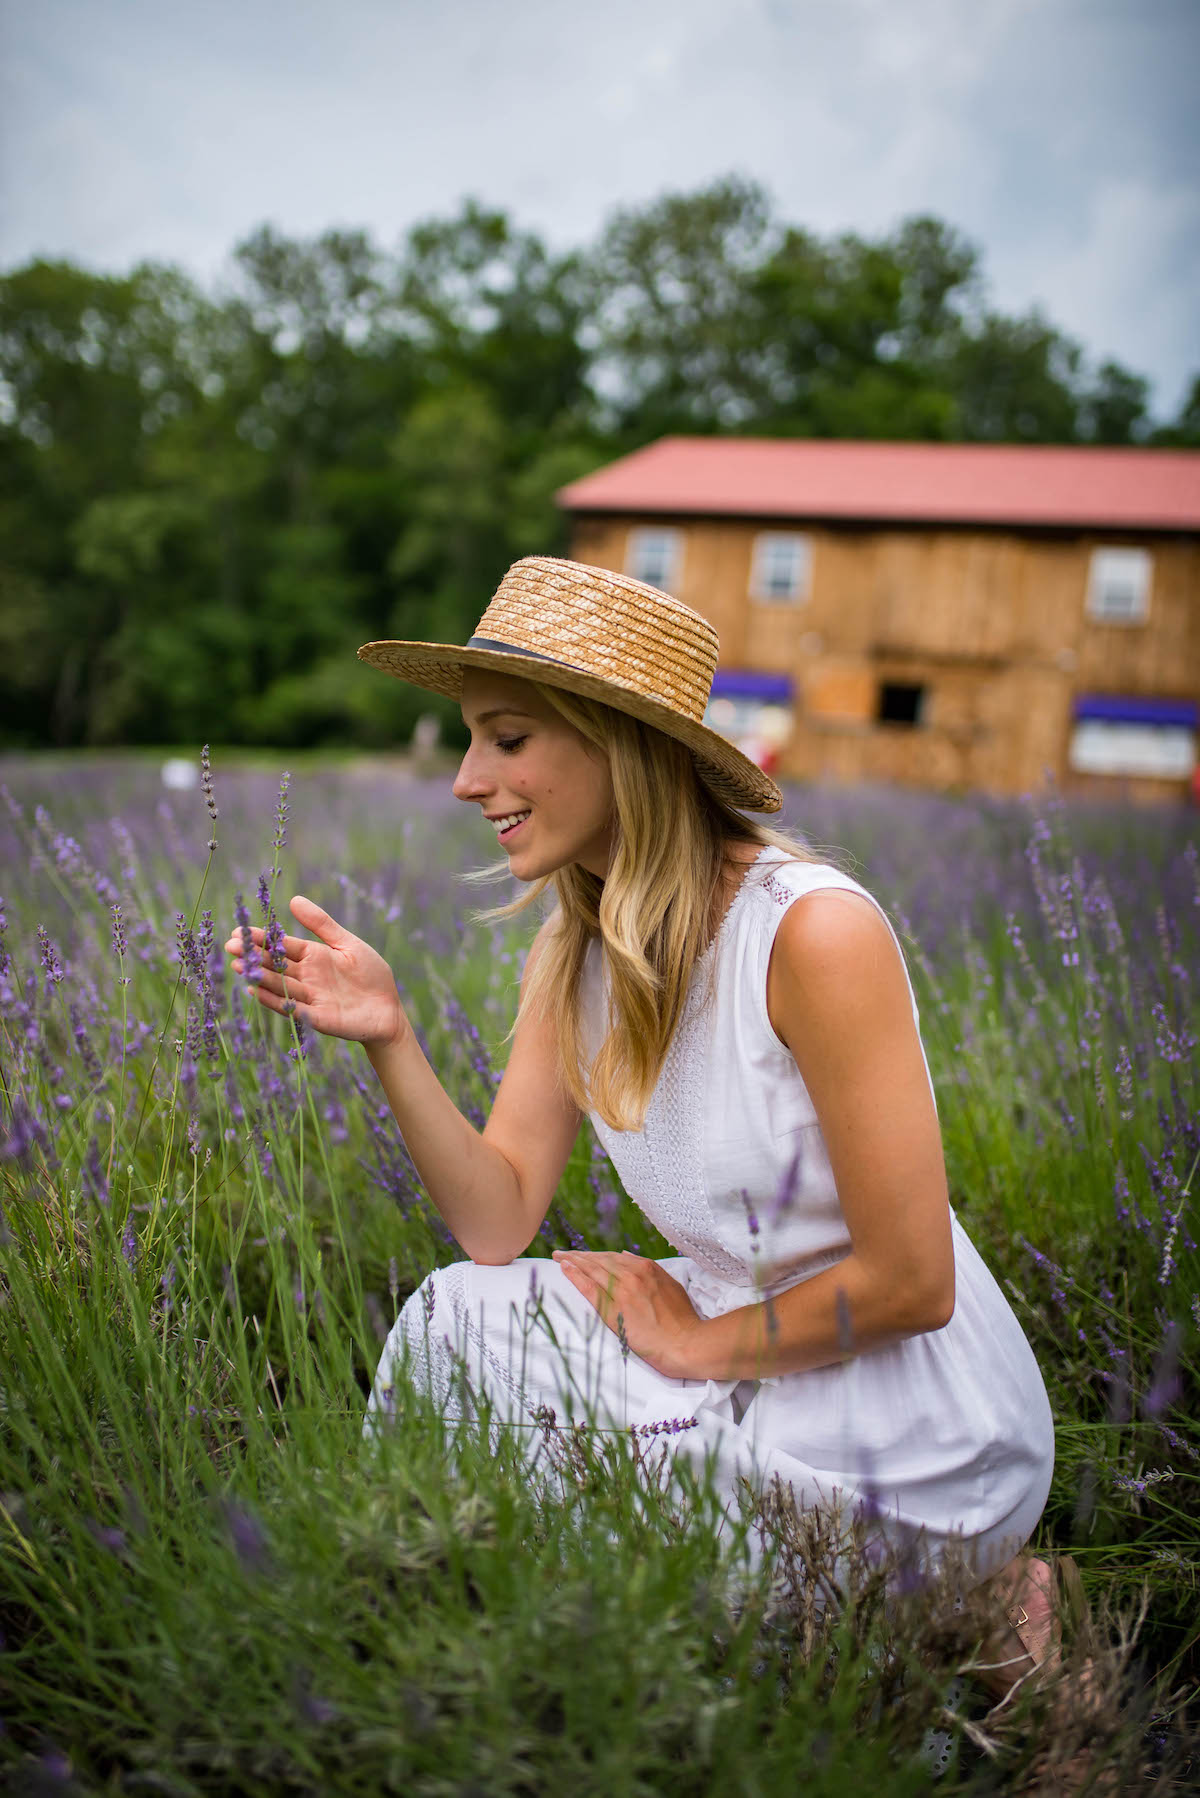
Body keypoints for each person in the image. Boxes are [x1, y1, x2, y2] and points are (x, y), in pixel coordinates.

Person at [225, 556, 1062, 1699]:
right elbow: (497, 1216)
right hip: (735, 1337)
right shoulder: (571, 953)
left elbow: (915, 1280)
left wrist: (693, 1346)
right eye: (471, 740)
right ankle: (850, 1613)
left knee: (646, 1546)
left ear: (618, 742)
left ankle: (987, 1595)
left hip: (905, 1410)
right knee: (456, 1324)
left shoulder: (811, 935)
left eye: (506, 738)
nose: (470, 779)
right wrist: (390, 1036)